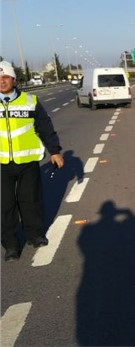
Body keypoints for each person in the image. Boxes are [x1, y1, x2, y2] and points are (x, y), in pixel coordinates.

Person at [1, 61, 64, 261]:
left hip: (27, 161)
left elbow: (45, 126)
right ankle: (10, 245)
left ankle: (34, 235)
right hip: (2, 164)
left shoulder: (31, 101)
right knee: (5, 205)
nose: (2, 81)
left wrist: (54, 151)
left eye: (6, 77)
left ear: (14, 79)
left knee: (30, 200)